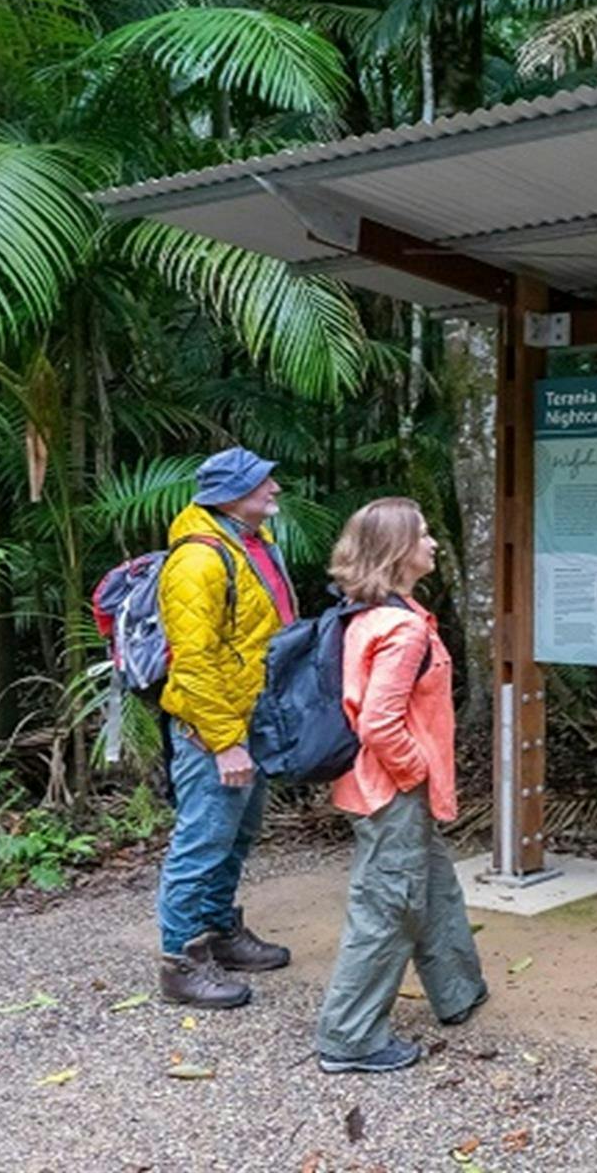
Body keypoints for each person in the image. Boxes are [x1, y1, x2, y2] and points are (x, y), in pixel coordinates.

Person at [315, 498, 488, 1073]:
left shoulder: (377, 613)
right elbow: (379, 721)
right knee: (387, 907)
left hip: (384, 787)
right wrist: (416, 773)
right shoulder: (401, 628)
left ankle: (459, 990)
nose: (434, 544)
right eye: (423, 535)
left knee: (433, 888)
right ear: (397, 551)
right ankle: (350, 1037)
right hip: (391, 790)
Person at [154, 446, 299, 1009]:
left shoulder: (250, 546)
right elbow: (193, 662)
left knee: (234, 836)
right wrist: (224, 741)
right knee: (202, 839)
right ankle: (179, 962)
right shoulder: (198, 561)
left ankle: (219, 933)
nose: (275, 491)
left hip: (250, 716)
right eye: (265, 483)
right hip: (214, 729)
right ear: (233, 495)